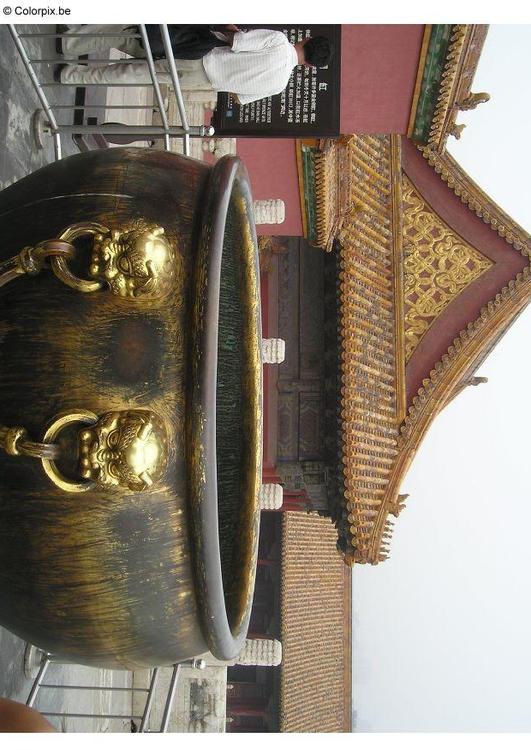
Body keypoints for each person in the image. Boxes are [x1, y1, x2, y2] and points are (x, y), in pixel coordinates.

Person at [55, 26, 334, 106]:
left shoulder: (278, 41)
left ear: (307, 38)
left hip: (201, 56)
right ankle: (71, 76)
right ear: (309, 66)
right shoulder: (279, 85)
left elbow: (237, 41)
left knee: (135, 38)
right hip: (204, 82)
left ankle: (71, 44)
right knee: (136, 74)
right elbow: (240, 97)